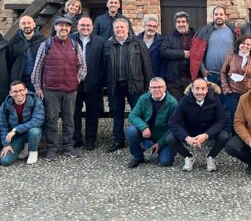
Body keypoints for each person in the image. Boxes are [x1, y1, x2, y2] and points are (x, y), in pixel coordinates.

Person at [31, 16, 87, 161]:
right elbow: (37, 68)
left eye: (67, 26)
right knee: (51, 120)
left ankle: (68, 146)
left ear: (70, 29)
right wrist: (37, 86)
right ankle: (52, 148)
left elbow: (82, 66)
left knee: (69, 120)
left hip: (70, 90)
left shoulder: (75, 45)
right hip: (51, 90)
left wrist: (76, 80)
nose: (64, 28)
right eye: (61, 25)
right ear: (55, 27)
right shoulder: (47, 44)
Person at [104, 18, 152, 153]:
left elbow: (147, 65)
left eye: (122, 27)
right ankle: (118, 140)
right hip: (115, 85)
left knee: (138, 113)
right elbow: (104, 66)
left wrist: (148, 84)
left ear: (127, 28)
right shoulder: (108, 45)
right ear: (113, 30)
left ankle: (141, 139)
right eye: (117, 27)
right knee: (117, 113)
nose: (119, 30)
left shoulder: (138, 43)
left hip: (135, 84)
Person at [166, 78, 229, 172]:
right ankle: (188, 156)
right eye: (197, 88)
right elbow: (173, 121)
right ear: (192, 89)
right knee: (170, 138)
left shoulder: (215, 99)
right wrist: (187, 138)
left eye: (203, 89)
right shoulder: (184, 100)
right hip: (190, 129)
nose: (200, 92)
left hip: (208, 129)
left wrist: (206, 135)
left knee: (224, 136)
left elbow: (222, 120)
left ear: (207, 89)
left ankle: (211, 157)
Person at [126, 77, 177, 168]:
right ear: (149, 89)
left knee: (165, 162)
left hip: (163, 136)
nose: (157, 89)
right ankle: (138, 157)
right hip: (147, 133)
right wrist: (144, 127)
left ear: (165, 88)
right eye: (153, 87)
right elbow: (132, 115)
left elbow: (173, 128)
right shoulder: (143, 99)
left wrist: (160, 143)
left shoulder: (172, 103)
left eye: (160, 87)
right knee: (130, 130)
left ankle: (160, 150)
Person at [72, 17, 106, 150]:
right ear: (77, 26)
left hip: (93, 83)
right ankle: (76, 138)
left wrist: (100, 79)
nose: (85, 27)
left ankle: (91, 139)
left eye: (88, 25)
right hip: (74, 83)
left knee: (93, 113)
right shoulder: (70, 39)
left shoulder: (100, 41)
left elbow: (104, 63)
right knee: (75, 113)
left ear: (92, 27)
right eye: (82, 25)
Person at [220, 35, 251, 133]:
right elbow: (223, 72)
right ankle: (233, 137)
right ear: (239, 44)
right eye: (243, 43)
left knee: (249, 116)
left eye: (248, 44)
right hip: (233, 92)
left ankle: (248, 137)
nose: (246, 46)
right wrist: (226, 88)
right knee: (233, 115)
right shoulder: (231, 56)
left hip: (249, 93)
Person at [0, 81, 45, 166]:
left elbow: (37, 121)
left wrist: (15, 130)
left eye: (21, 90)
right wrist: (6, 144)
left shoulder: (36, 101)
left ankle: (33, 151)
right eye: (15, 91)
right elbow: (3, 126)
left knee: (35, 131)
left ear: (26, 91)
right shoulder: (5, 105)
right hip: (17, 136)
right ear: (10, 93)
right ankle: (24, 146)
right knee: (5, 161)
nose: (18, 93)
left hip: (30, 132)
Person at [190, 6, 235, 85]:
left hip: (228, 75)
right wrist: (203, 69)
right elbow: (197, 53)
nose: (218, 16)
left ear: (225, 16)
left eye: (221, 14)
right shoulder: (205, 32)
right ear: (213, 16)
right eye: (216, 14)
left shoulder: (233, 32)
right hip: (210, 75)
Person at [160, 11, 195, 101]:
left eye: (183, 22)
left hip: (190, 79)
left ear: (187, 23)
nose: (181, 24)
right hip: (173, 80)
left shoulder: (195, 36)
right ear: (175, 24)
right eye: (178, 22)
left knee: (190, 105)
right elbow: (164, 51)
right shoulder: (169, 37)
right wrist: (183, 54)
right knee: (176, 107)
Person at [7, 15, 45, 92]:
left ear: (34, 24)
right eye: (23, 23)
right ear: (20, 26)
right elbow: (9, 61)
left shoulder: (43, 41)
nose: (26, 25)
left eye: (29, 23)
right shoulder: (13, 42)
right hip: (20, 80)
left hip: (39, 81)